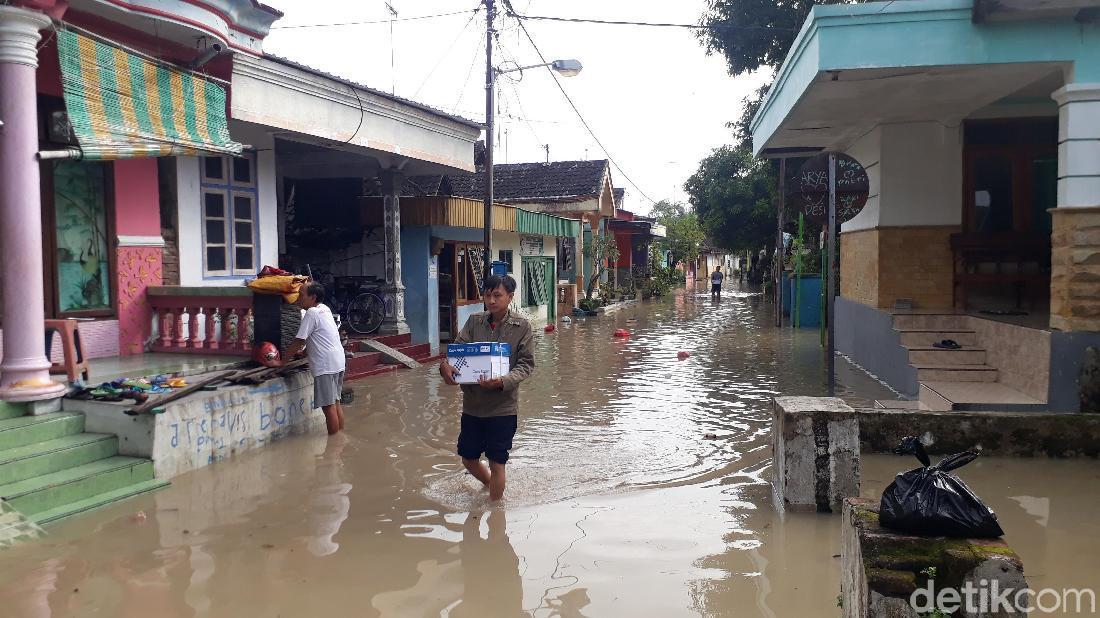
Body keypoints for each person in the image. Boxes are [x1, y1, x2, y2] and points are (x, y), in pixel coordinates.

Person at [439, 274, 534, 501]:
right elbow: (456, 351)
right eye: (487, 295)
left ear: (510, 297)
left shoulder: (521, 326)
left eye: (497, 295)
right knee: (468, 458)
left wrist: (503, 381)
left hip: (503, 408)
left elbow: (526, 365)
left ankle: (495, 513)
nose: (491, 300)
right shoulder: (474, 321)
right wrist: (445, 367)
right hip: (472, 406)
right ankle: (491, 485)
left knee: (497, 461)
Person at [284, 281, 346, 435]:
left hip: (325, 365)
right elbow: (320, 337)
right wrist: (305, 353)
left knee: (328, 406)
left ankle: (334, 448)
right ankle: (341, 439)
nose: (298, 297)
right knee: (336, 402)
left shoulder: (311, 313)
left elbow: (299, 340)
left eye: (302, 294)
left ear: (313, 297)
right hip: (338, 361)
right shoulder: (325, 309)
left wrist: (282, 361)